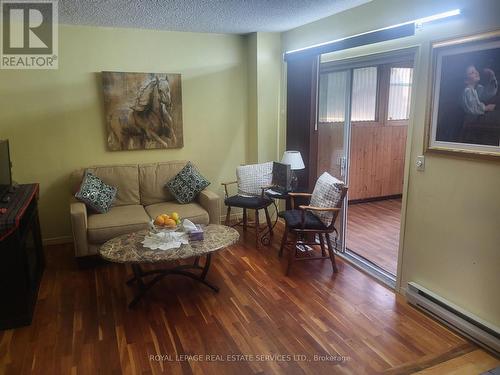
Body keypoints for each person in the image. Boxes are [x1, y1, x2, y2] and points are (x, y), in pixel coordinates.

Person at [460, 65, 500, 145]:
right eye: (472, 72)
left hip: (477, 118)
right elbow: (473, 108)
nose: (476, 73)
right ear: (466, 81)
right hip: (470, 121)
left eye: (475, 70)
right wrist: (486, 108)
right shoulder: (467, 91)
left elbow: (490, 93)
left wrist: (492, 76)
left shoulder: (477, 88)